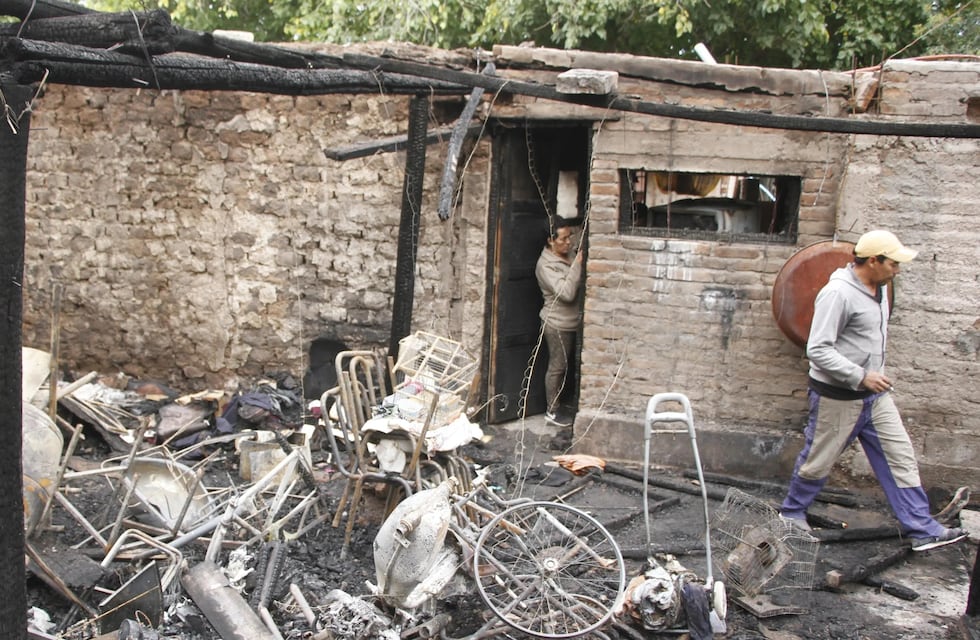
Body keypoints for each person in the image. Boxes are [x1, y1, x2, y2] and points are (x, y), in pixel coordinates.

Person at [779, 230, 967, 551]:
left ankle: (922, 529)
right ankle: (792, 513)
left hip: (875, 398)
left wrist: (870, 379)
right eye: (893, 264)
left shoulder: (879, 289)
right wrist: (861, 376)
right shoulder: (838, 294)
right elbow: (818, 349)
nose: (898, 270)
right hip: (838, 397)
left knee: (900, 458)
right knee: (818, 460)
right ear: (872, 261)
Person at [535, 223, 583, 428]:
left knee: (571, 367)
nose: (568, 242)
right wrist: (578, 264)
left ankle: (567, 404)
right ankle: (552, 411)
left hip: (574, 321)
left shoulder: (568, 254)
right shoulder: (545, 265)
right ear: (550, 241)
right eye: (563, 239)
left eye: (569, 237)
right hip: (557, 323)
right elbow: (567, 293)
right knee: (558, 367)